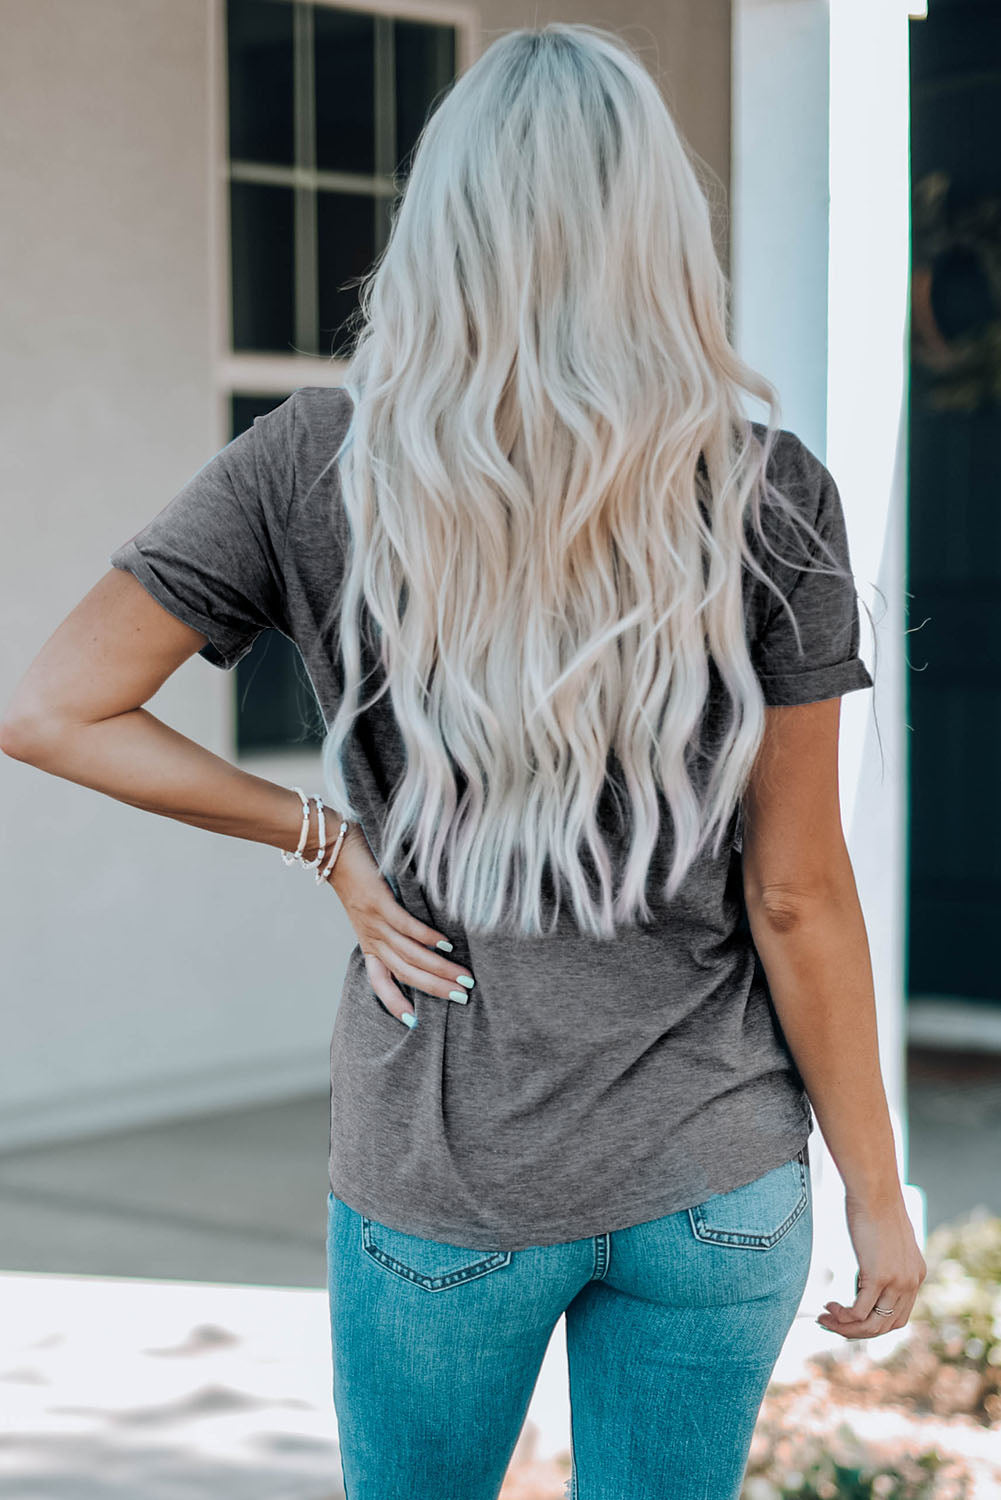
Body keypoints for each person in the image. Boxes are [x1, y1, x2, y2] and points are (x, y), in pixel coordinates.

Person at [0, 20, 926, 1500]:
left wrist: (328, 842)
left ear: (443, 223)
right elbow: (799, 890)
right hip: (717, 1183)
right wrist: (875, 1200)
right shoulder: (766, 490)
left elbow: (52, 707)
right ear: (655, 236)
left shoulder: (313, 461)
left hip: (444, 1173)